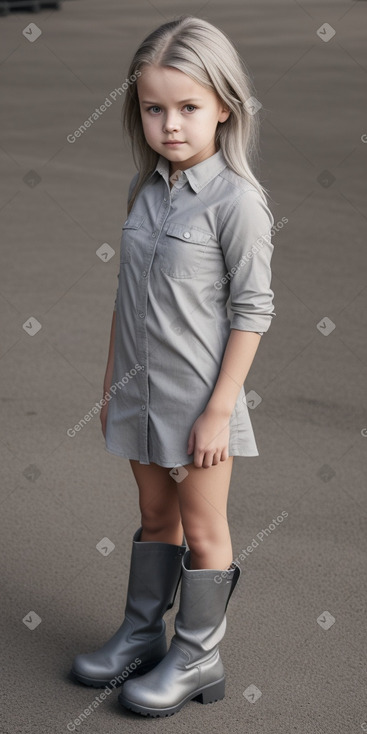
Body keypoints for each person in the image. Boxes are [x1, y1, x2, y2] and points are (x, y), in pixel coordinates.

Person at [71, 14, 276, 717]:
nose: (171, 125)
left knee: (204, 527)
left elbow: (252, 310)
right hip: (138, 394)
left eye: (188, 107)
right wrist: (109, 383)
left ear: (224, 105)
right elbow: (126, 302)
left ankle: (197, 656)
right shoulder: (143, 191)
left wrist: (218, 409)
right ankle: (141, 635)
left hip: (198, 407)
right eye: (153, 109)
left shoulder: (236, 203)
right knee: (154, 515)